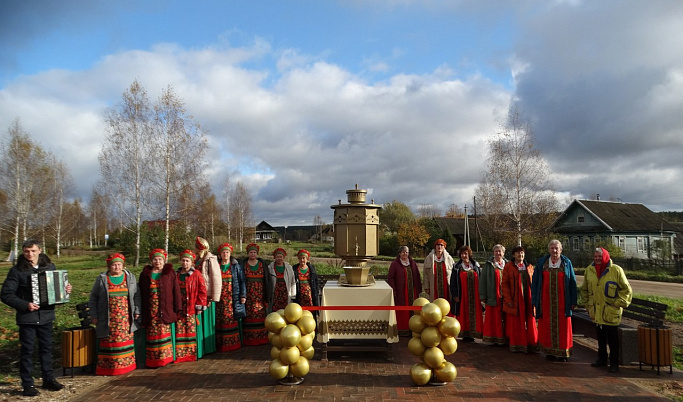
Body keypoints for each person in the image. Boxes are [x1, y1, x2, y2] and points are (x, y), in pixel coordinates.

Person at [1, 240, 71, 397]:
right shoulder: (17, 271)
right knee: (27, 351)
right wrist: (26, 304)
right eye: (26, 251)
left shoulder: (50, 267)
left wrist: (65, 289)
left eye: (33, 251)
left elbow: (57, 288)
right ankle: (27, 384)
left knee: (46, 349)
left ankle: (48, 379)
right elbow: (6, 294)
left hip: (46, 316)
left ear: (40, 250)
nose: (30, 254)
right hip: (28, 317)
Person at [579, 247, 632, 372]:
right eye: (595, 256)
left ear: (605, 257)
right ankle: (602, 359)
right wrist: (588, 305)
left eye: (599, 257)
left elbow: (626, 290)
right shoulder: (589, 270)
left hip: (610, 311)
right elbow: (584, 289)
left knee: (613, 339)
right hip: (596, 310)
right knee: (601, 337)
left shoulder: (616, 270)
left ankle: (614, 363)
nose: (597, 259)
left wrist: (618, 303)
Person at [89, 253, 140, 375]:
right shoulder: (102, 279)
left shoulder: (130, 278)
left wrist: (137, 310)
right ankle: (109, 368)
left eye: (119, 265)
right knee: (110, 342)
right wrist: (94, 315)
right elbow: (93, 298)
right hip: (108, 318)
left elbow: (136, 295)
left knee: (124, 341)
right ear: (109, 266)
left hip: (125, 318)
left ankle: (127, 366)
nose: (116, 267)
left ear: (123, 265)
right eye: (114, 265)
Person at [532, 239, 577, 362]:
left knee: (564, 327)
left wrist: (573, 300)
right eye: (552, 248)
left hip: (563, 302)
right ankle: (549, 351)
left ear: (561, 250)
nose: (554, 250)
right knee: (546, 326)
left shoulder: (566, 263)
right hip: (545, 302)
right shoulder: (542, 263)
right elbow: (535, 283)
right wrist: (535, 301)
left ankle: (563, 353)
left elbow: (572, 282)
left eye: (556, 248)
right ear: (549, 250)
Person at [138, 248, 182, 368]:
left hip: (165, 308)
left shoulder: (170, 273)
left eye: (160, 259)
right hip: (151, 309)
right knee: (152, 333)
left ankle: (165, 358)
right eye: (155, 259)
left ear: (164, 260)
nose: (158, 262)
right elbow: (141, 292)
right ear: (151, 261)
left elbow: (176, 291)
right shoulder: (145, 274)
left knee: (164, 332)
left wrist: (178, 308)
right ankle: (153, 360)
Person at [502, 246, 538, 353]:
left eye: (522, 253)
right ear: (513, 255)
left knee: (531, 321)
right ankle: (517, 344)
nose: (520, 255)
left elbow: (534, 283)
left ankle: (532, 343)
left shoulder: (529, 267)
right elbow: (504, 284)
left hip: (528, 298)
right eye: (518, 253)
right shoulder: (508, 267)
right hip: (515, 299)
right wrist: (508, 300)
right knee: (516, 322)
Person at [175, 249, 207, 363]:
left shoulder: (196, 274)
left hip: (191, 306)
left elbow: (202, 290)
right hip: (179, 307)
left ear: (192, 262)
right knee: (179, 329)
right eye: (183, 261)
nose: (185, 263)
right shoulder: (176, 274)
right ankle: (180, 354)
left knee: (190, 329)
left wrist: (200, 305)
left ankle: (191, 354)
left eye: (187, 261)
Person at [216, 243, 246, 352]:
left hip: (231, 298)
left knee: (231, 318)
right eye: (223, 252)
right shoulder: (216, 266)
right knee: (220, 320)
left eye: (227, 252)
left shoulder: (235, 266)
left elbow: (242, 281)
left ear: (230, 254)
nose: (225, 254)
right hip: (219, 299)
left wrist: (243, 295)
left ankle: (233, 343)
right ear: (220, 254)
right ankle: (220, 344)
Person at [194, 237, 221, 356]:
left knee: (207, 322)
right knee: (199, 321)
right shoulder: (196, 259)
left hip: (206, 295)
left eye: (196, 247)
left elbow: (215, 279)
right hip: (196, 294)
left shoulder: (210, 259)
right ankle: (200, 348)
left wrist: (212, 297)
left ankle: (208, 347)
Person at [450, 245, 483, 342]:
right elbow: (453, 282)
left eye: (466, 253)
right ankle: (465, 334)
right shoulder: (457, 267)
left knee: (475, 314)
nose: (464, 256)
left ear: (469, 254)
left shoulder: (476, 266)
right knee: (463, 313)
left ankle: (473, 333)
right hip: (463, 295)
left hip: (475, 296)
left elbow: (481, 280)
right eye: (462, 254)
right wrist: (455, 294)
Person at [242, 243, 271, 345]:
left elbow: (267, 279)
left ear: (257, 253)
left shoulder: (262, 264)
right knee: (249, 314)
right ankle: (249, 339)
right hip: (248, 295)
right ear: (248, 253)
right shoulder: (244, 265)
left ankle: (261, 338)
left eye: (254, 252)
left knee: (259, 313)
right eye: (251, 252)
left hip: (260, 294)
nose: (253, 254)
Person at [387, 246, 422, 331]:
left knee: (413, 309)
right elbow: (391, 277)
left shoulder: (412, 263)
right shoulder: (395, 264)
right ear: (399, 254)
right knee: (402, 310)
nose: (405, 254)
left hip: (412, 291)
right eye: (403, 252)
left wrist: (419, 289)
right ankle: (403, 329)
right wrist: (393, 289)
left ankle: (413, 328)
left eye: (407, 252)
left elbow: (417, 276)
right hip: (401, 291)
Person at [479, 244, 508, 345]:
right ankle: (494, 338)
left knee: (505, 318)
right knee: (494, 318)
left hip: (505, 297)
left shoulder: (508, 265)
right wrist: (482, 295)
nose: (498, 253)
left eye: (500, 251)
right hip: (493, 295)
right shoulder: (488, 265)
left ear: (503, 253)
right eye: (496, 251)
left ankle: (505, 338)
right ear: (493, 253)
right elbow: (483, 280)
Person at [267, 248, 295, 312]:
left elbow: (293, 281)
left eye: (281, 257)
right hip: (275, 292)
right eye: (277, 257)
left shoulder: (289, 268)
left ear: (283, 257)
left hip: (285, 292)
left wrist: (293, 295)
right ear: (275, 257)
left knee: (286, 310)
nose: (279, 259)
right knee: (275, 309)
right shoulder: (270, 268)